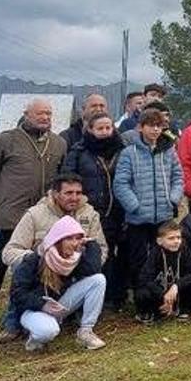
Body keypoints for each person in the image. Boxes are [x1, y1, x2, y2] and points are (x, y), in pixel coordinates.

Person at [0, 97, 67, 331]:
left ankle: (29, 308)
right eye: (40, 114)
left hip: (43, 216)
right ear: (26, 115)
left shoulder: (58, 143)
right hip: (10, 216)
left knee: (39, 263)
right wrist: (3, 199)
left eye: (49, 114)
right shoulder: (6, 140)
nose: (45, 118)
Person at [114, 107, 184, 305]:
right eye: (151, 126)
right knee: (138, 258)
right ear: (141, 127)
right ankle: (142, 297)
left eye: (159, 126)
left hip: (163, 215)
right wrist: (133, 205)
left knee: (164, 255)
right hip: (138, 218)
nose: (155, 130)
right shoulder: (129, 153)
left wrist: (173, 198)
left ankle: (165, 295)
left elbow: (178, 177)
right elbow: (121, 183)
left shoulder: (168, 151)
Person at [8, 215, 107, 352]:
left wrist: (91, 244)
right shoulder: (33, 260)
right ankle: (35, 339)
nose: (74, 243)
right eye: (69, 238)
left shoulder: (72, 260)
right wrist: (42, 305)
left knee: (98, 280)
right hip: (33, 309)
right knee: (49, 330)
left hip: (58, 304)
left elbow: (93, 269)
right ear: (57, 240)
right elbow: (17, 294)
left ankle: (86, 331)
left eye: (77, 238)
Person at [60, 113, 124, 276]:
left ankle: (116, 294)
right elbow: (68, 178)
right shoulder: (79, 151)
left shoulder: (122, 149)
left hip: (119, 210)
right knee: (95, 251)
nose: (104, 131)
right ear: (90, 129)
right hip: (91, 211)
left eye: (108, 127)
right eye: (100, 128)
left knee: (119, 252)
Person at [134, 220, 191, 322]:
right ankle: (150, 313)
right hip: (159, 293)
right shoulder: (155, 253)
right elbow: (145, 278)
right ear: (159, 241)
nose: (176, 241)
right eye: (171, 238)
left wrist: (176, 286)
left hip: (177, 291)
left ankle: (185, 310)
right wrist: (163, 295)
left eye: (178, 237)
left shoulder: (183, 250)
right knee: (142, 293)